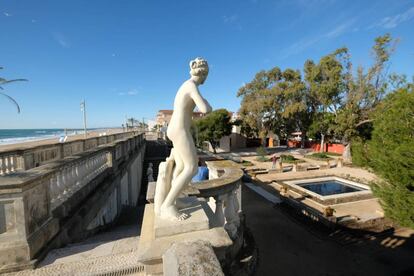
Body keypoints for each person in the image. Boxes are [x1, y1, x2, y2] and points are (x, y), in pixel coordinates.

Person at [157, 57, 212, 220]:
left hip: (175, 128)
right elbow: (204, 109)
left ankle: (176, 200)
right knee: (191, 168)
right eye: (207, 75)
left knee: (181, 166)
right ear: (203, 74)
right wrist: (207, 105)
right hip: (180, 130)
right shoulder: (191, 86)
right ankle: (167, 205)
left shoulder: (186, 85)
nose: (206, 79)